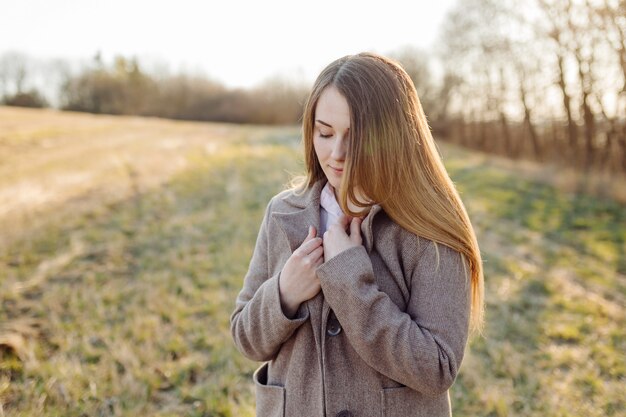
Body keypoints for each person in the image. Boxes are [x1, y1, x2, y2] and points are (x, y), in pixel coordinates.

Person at [230, 52, 484, 417]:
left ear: (393, 136)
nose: (337, 153)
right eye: (325, 132)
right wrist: (285, 291)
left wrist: (350, 279)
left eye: (355, 135)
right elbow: (246, 338)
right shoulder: (282, 214)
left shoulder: (431, 229)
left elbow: (436, 368)